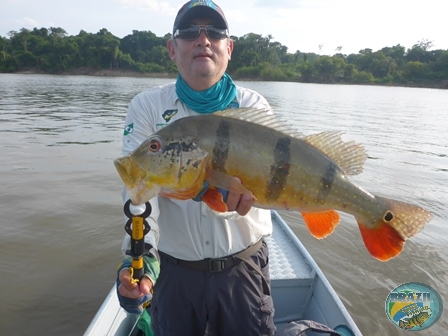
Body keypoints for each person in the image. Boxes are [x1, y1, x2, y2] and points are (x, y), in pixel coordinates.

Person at [116, 1, 275, 335]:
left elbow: (277, 180)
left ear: (228, 48)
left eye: (214, 31)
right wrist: (141, 261)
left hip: (242, 267)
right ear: (172, 49)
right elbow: (139, 195)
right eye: (189, 32)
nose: (203, 39)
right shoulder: (147, 108)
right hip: (175, 273)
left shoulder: (253, 106)